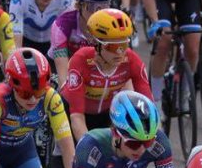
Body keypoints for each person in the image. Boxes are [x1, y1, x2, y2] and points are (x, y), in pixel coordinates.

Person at [61, 9, 152, 137]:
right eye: (113, 47)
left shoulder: (131, 60)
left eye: (124, 45)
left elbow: (149, 110)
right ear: (96, 44)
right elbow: (77, 117)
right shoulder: (81, 60)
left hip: (105, 116)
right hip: (71, 114)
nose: (120, 53)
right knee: (70, 155)